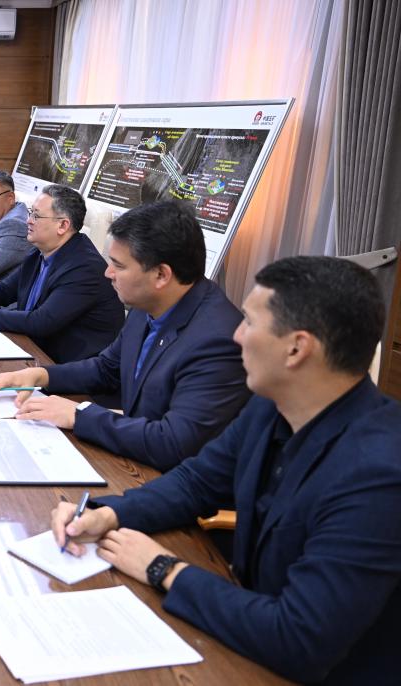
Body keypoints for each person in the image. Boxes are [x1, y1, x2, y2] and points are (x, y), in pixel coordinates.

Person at [50, 256, 401, 683]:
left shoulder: (379, 474)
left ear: (297, 348)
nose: (236, 335)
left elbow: (300, 638)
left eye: (249, 323)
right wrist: (107, 513)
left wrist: (163, 568)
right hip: (246, 629)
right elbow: (197, 481)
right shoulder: (272, 405)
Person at [0, 201, 248, 470]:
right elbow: (106, 368)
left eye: (119, 265)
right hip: (136, 454)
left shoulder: (218, 340)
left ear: (161, 275)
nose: (108, 273)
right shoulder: (150, 302)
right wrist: (39, 375)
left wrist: (80, 415)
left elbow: (174, 442)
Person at [0, 184, 123, 363]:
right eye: (31, 213)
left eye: (36, 216)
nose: (28, 221)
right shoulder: (40, 252)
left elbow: (42, 321)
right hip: (33, 348)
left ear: (63, 225)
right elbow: (6, 289)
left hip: (65, 366)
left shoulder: (84, 268)